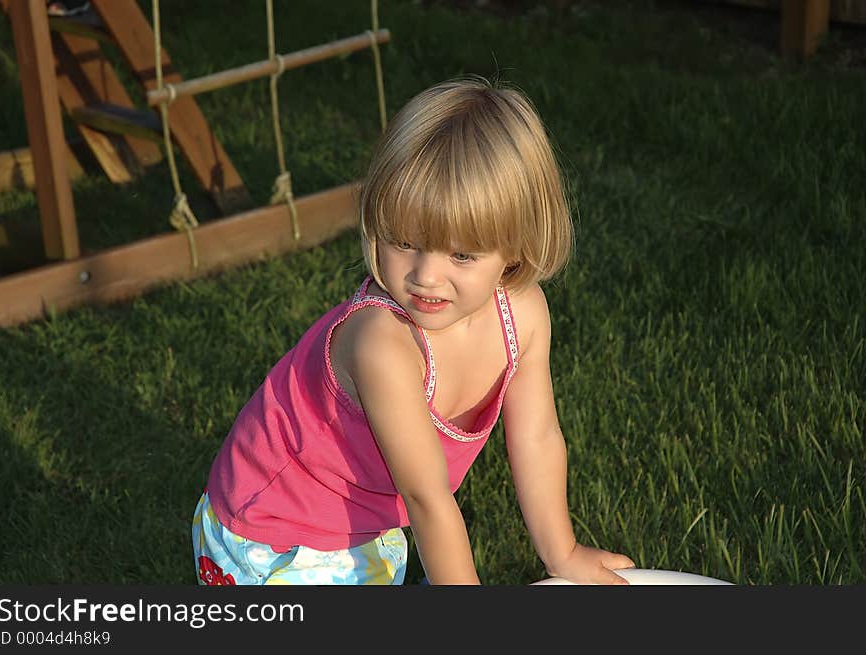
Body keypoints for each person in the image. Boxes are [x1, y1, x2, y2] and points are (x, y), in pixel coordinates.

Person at [192, 75, 635, 585]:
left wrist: (563, 554)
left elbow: (536, 435)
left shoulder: (524, 314)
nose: (425, 276)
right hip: (275, 536)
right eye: (404, 241)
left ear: (514, 245)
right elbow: (428, 500)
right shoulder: (382, 342)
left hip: (369, 519)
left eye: (462, 254)